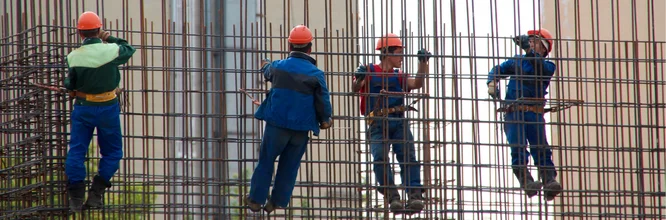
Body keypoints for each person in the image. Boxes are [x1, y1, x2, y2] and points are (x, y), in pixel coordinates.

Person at [246, 24, 333, 213]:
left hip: (277, 126)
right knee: (290, 166)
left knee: (266, 161)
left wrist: (265, 63)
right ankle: (277, 202)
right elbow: (323, 101)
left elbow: (267, 71)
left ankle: (256, 199)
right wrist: (325, 119)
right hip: (301, 130)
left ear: (289, 46)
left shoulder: (278, 67)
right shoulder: (316, 74)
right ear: (310, 47)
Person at [64, 11, 136, 212]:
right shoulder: (111, 50)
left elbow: (71, 83)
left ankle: (76, 198)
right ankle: (96, 192)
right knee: (113, 152)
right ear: (99, 29)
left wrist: (71, 88)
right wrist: (108, 37)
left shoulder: (73, 57)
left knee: (77, 151)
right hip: (107, 107)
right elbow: (129, 48)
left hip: (84, 107)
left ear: (79, 33)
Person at [352, 33, 431, 213]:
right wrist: (359, 76)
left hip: (398, 122)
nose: (402, 58)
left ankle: (414, 195)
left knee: (408, 157)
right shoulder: (369, 70)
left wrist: (423, 63)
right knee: (379, 158)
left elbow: (417, 83)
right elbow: (356, 88)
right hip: (377, 123)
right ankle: (392, 196)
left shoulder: (400, 76)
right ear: (387, 53)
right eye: (398, 53)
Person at [486, 28, 562, 201]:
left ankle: (549, 181)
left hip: (534, 113)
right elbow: (499, 69)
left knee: (541, 148)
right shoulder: (517, 61)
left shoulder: (548, 66)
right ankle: (526, 182)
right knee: (518, 148)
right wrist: (492, 81)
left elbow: (538, 65)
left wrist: (528, 50)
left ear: (544, 48)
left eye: (535, 42)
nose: (531, 44)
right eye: (530, 41)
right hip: (515, 113)